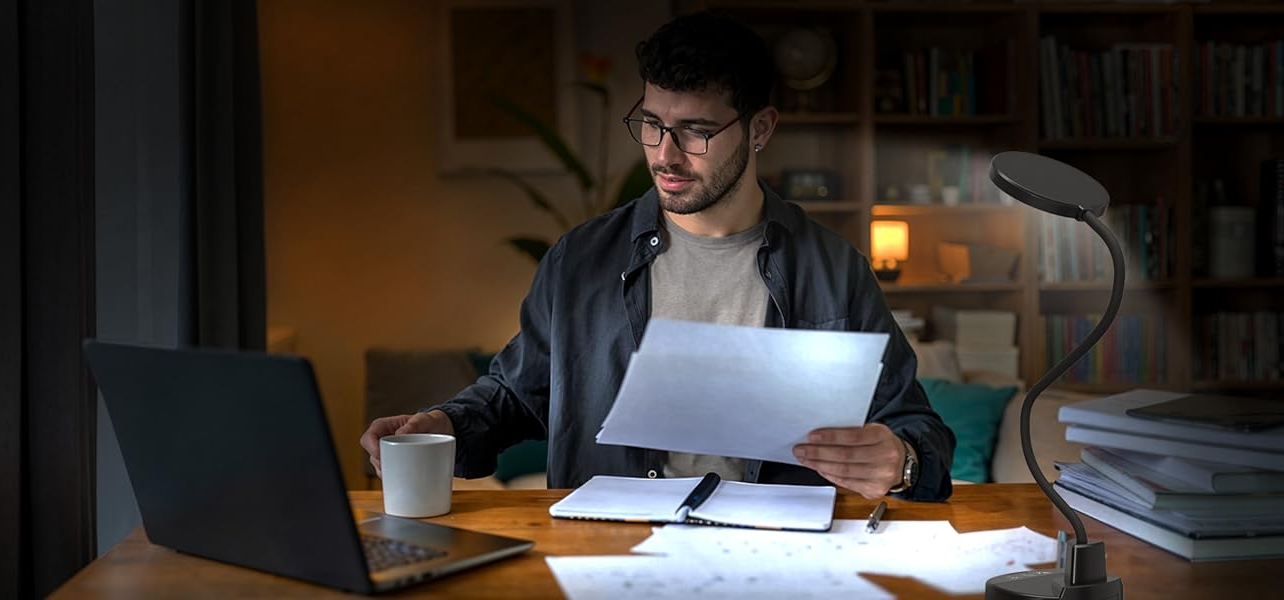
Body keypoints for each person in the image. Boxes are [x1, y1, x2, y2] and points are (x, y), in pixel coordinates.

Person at [362, 12, 954, 501]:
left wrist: (901, 462)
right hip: (607, 547)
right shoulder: (580, 260)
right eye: (651, 125)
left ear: (760, 129)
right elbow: (517, 394)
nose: (665, 155)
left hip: (779, 555)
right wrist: (440, 426)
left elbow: (916, 427)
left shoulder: (835, 268)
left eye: (695, 131)